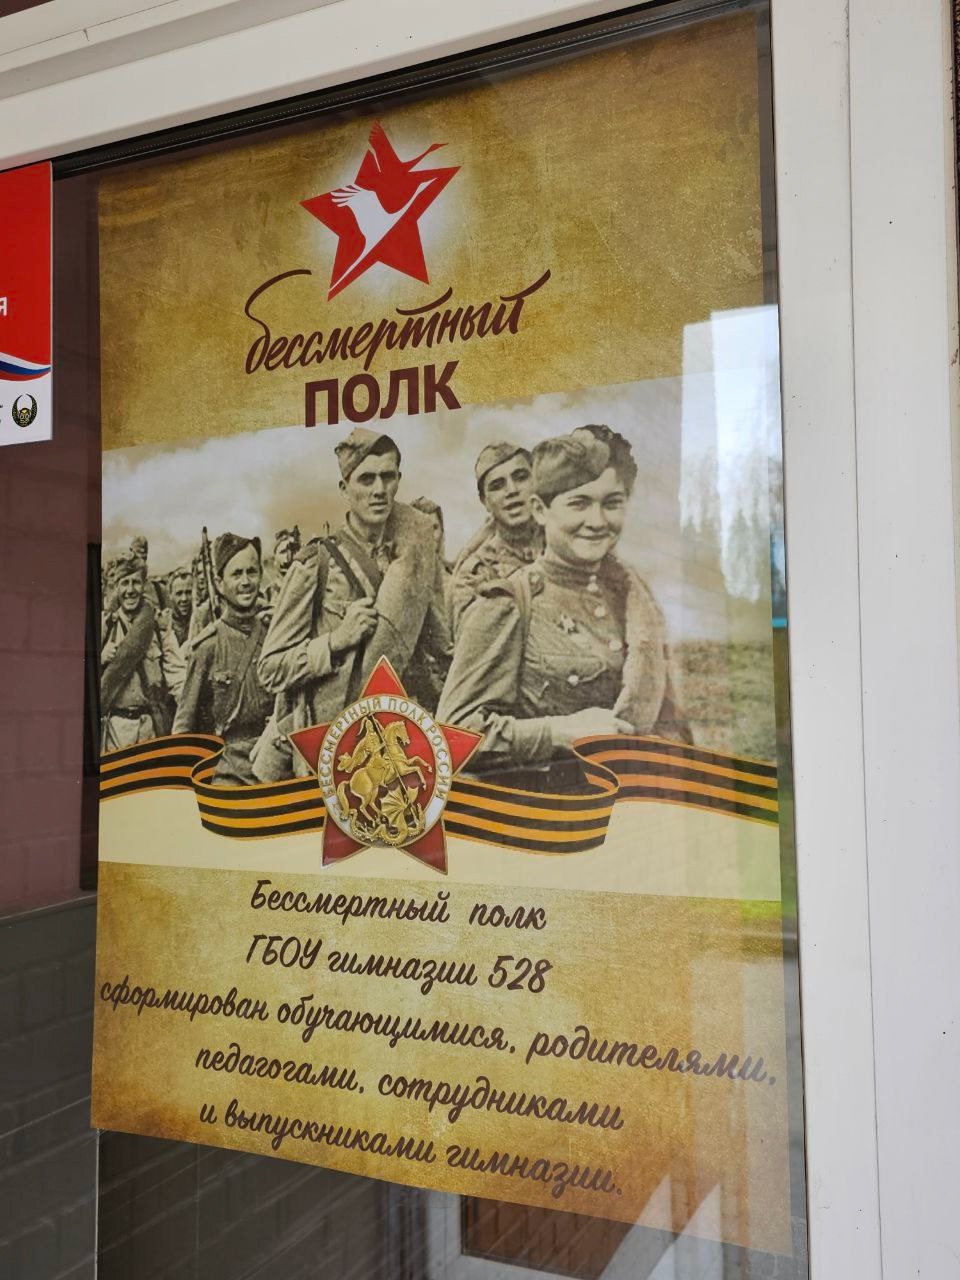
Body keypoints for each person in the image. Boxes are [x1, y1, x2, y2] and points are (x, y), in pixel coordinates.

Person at [438, 429, 690, 774]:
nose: (597, 521)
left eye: (612, 503)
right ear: (540, 510)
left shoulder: (634, 598)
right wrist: (557, 733)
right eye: (578, 503)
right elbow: (451, 736)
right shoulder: (507, 602)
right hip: (547, 800)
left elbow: (670, 718)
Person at [253, 427, 449, 779]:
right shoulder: (317, 563)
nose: (379, 490)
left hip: (395, 740)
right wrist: (335, 641)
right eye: (366, 479)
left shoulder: (414, 558)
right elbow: (270, 668)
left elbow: (439, 646)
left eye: (388, 477)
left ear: (398, 480)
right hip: (332, 748)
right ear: (345, 489)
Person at [172, 533, 273, 785]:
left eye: (252, 572)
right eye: (236, 574)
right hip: (227, 774)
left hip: (274, 765)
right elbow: (184, 726)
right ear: (219, 583)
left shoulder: (273, 635)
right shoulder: (207, 647)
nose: (246, 581)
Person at [450, 441, 544, 632]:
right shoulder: (474, 574)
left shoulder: (566, 545)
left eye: (521, 477)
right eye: (497, 486)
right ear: (485, 501)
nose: (512, 490)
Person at [100, 553, 185, 751]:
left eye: (136, 582)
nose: (130, 590)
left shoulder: (158, 628)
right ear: (116, 587)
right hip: (115, 731)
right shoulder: (105, 627)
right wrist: (100, 658)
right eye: (124, 583)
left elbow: (178, 676)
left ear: (144, 585)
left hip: (151, 728)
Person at [265, 526, 302, 605]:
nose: (287, 560)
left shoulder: (307, 590)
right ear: (275, 559)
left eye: (294, 552)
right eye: (283, 552)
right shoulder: (267, 594)